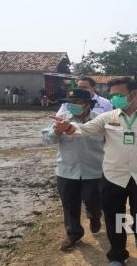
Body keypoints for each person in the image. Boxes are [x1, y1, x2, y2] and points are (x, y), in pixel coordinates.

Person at [52, 77, 137, 265]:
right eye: (113, 95)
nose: (115, 98)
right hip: (113, 177)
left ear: (134, 94)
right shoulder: (108, 117)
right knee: (113, 219)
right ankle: (117, 255)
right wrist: (67, 127)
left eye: (119, 94)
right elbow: (84, 129)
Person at [42, 88, 104, 251]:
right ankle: (73, 234)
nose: (72, 105)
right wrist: (56, 131)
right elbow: (46, 140)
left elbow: (112, 142)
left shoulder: (100, 121)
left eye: (76, 102)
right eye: (69, 102)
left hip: (94, 170)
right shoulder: (61, 119)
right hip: (67, 170)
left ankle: (95, 216)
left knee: (93, 201)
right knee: (69, 204)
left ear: (87, 104)